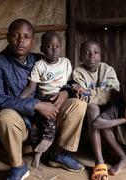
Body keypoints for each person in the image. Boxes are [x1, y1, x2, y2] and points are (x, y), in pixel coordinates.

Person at [0, 19, 86, 180]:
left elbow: (64, 81)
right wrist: (36, 104)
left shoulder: (40, 59)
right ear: (8, 37)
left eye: (26, 36)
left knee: (77, 104)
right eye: (15, 36)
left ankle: (58, 154)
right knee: (5, 116)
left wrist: (65, 92)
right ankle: (18, 167)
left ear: (32, 41)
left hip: (48, 120)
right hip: (21, 123)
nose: (21, 41)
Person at [20, 31, 72, 167]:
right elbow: (31, 87)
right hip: (45, 98)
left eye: (57, 46)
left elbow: (71, 82)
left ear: (61, 47)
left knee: (47, 122)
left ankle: (46, 143)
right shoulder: (39, 65)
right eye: (49, 46)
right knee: (38, 125)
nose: (54, 49)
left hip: (61, 94)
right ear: (42, 49)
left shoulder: (66, 63)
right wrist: (19, 100)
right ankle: (41, 148)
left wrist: (69, 91)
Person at [71, 40, 120, 179]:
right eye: (87, 53)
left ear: (100, 56)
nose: (91, 56)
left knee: (113, 105)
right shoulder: (78, 72)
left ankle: (118, 152)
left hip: (109, 109)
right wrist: (100, 93)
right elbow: (82, 98)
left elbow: (114, 93)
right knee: (93, 108)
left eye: (96, 52)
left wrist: (89, 92)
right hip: (90, 113)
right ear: (80, 57)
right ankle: (99, 160)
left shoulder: (108, 70)